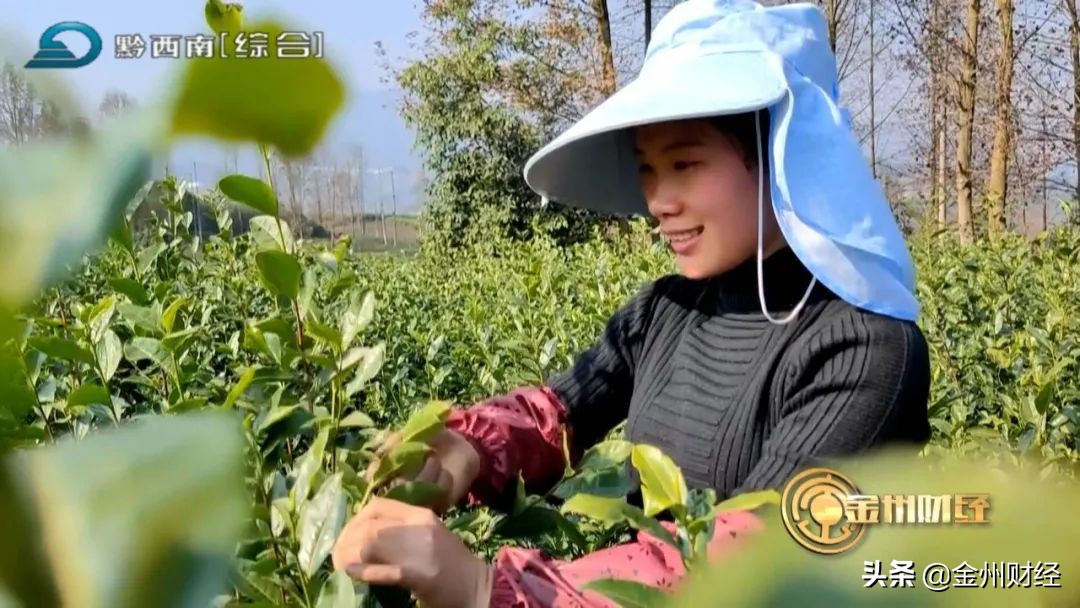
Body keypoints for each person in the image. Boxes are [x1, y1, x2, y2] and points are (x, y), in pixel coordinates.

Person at [331, 1, 933, 606]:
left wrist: (491, 589)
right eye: (648, 168)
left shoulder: (865, 349)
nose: (659, 202)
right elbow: (559, 413)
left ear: (782, 157)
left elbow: (757, 554)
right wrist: (464, 450)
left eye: (686, 163)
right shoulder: (665, 311)